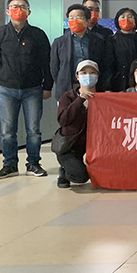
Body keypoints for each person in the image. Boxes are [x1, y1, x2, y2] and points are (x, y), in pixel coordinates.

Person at [0, 0, 52, 179]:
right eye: (14, 6)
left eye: (23, 6)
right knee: (7, 131)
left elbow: (47, 63)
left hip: (33, 89)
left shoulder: (38, 35)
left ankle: (33, 163)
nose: (18, 9)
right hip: (6, 89)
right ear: (7, 11)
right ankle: (9, 165)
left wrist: (47, 86)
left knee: (34, 130)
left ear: (29, 12)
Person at [55, 60, 97, 189]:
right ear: (77, 76)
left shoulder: (102, 97)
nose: (88, 75)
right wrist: (80, 100)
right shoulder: (67, 96)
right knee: (80, 176)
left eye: (92, 72)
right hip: (70, 147)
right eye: (84, 73)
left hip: (94, 148)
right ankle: (64, 171)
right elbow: (63, 120)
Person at [51, 4, 107, 99]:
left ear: (87, 20)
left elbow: (104, 65)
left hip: (93, 88)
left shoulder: (99, 41)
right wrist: (62, 82)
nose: (74, 20)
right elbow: (54, 68)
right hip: (67, 88)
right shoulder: (59, 42)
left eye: (79, 17)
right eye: (71, 18)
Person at [106, 8, 137, 92]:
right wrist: (108, 86)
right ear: (117, 21)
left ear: (135, 20)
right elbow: (108, 65)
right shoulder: (112, 40)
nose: (126, 19)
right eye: (122, 17)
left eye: (130, 17)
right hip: (118, 82)